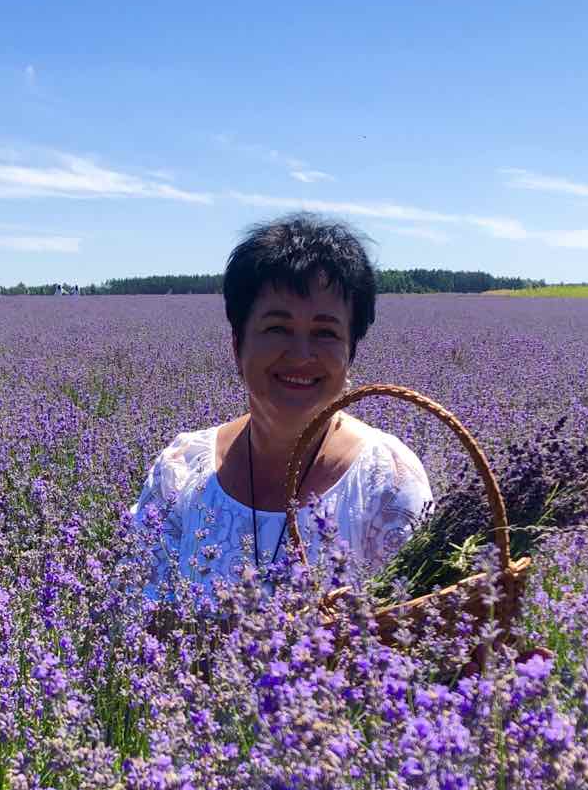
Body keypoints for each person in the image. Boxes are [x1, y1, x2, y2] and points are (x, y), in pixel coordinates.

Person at [130, 216, 433, 605]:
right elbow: (133, 612)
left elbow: (421, 627)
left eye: (325, 333)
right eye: (277, 328)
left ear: (351, 350)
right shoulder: (181, 471)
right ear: (238, 344)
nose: (301, 355)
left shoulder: (387, 484)